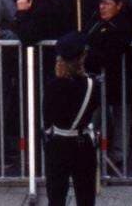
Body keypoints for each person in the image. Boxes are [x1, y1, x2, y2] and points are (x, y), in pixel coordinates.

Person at [42, 32, 98, 206]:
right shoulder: (91, 84)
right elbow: (93, 109)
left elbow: (47, 116)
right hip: (83, 143)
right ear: (82, 57)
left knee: (56, 194)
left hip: (58, 142)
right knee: (86, 194)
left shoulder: (53, 85)